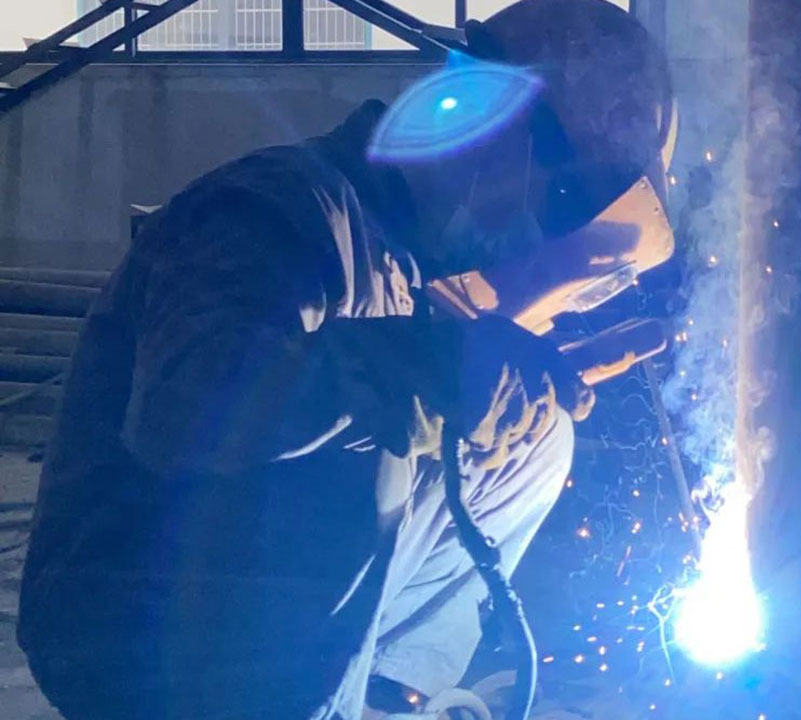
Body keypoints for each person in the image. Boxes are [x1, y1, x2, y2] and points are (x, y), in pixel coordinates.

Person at [17, 1, 674, 718]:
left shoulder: (413, 263)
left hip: (239, 618)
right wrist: (427, 374)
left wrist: (471, 375)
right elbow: (184, 410)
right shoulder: (278, 209)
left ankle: (385, 697)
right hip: (127, 626)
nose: (539, 240)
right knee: (381, 444)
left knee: (537, 438)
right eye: (561, 202)